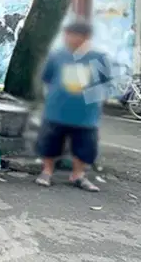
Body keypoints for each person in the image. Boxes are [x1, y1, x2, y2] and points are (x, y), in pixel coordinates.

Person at [35, 20, 111, 192]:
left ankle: (78, 175)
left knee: (84, 145)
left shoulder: (98, 58)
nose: (68, 38)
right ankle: (47, 171)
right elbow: (47, 78)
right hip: (57, 110)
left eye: (73, 35)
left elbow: (104, 83)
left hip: (85, 113)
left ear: (85, 37)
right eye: (67, 35)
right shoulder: (57, 55)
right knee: (50, 142)